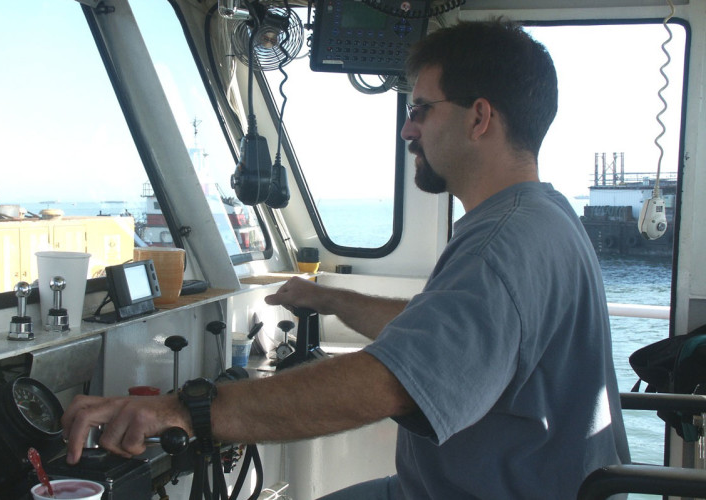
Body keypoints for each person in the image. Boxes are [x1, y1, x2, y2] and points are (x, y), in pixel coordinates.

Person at [61, 19, 630, 498]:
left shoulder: (500, 243)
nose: (409, 128)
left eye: (422, 109)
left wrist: (186, 410)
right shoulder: (542, 216)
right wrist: (327, 297)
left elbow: (393, 382)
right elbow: (439, 337)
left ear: (480, 118)